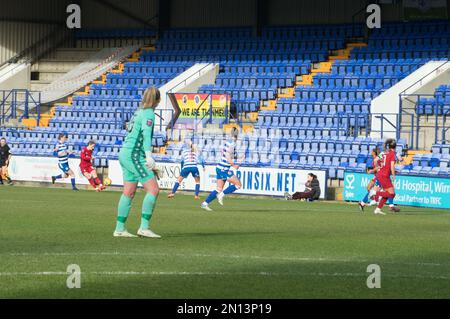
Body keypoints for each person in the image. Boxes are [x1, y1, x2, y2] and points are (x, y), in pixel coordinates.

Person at [113, 86, 161, 238]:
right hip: (134, 155)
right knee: (153, 190)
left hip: (126, 153)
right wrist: (148, 156)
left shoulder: (138, 112)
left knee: (128, 192)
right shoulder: (149, 114)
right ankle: (144, 227)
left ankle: (119, 229)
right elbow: (146, 136)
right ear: (157, 100)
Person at [201, 128, 242, 211]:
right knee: (238, 185)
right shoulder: (232, 144)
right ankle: (222, 195)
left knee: (218, 189)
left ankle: (204, 204)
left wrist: (239, 158)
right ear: (237, 135)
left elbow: (229, 155)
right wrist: (234, 166)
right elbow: (227, 156)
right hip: (224, 169)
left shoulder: (227, 142)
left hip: (220, 167)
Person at [370, 138, 398, 215]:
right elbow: (392, 166)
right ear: (395, 147)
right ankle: (375, 192)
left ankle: (378, 209)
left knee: (388, 193)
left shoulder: (385, 153)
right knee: (392, 194)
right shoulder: (392, 154)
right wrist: (393, 175)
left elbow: (376, 160)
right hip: (385, 175)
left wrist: (378, 167)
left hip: (380, 174)